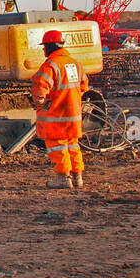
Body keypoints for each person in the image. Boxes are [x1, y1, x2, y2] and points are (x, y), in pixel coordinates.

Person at [31, 29, 89, 189]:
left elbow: (40, 87)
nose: (43, 49)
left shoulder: (50, 65)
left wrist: (40, 103)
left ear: (50, 46)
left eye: (44, 46)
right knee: (73, 145)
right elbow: (84, 85)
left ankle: (63, 178)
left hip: (56, 116)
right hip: (73, 116)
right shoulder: (75, 63)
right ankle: (77, 177)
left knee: (58, 147)